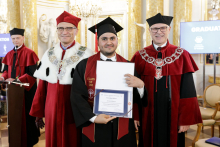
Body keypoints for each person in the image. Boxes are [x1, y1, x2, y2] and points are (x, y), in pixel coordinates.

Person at [70, 17, 147, 147]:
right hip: (94, 125)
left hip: (122, 128)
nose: (109, 42)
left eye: (112, 38)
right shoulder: (84, 66)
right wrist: (93, 118)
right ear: (98, 42)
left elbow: (138, 101)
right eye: (104, 39)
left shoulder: (128, 66)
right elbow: (77, 97)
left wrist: (141, 86)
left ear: (117, 40)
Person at [131, 13, 202, 147]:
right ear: (150, 31)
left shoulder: (182, 55)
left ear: (169, 29)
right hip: (147, 113)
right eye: (155, 29)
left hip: (174, 115)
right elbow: (133, 90)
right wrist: (135, 115)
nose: (159, 32)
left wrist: (185, 120)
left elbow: (188, 91)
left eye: (163, 28)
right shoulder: (139, 56)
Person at [29, 11, 94, 147]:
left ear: (76, 30)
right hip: (51, 107)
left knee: (73, 139)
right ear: (57, 30)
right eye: (61, 28)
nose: (65, 31)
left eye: (69, 28)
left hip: (75, 106)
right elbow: (42, 85)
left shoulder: (87, 53)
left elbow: (92, 85)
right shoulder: (49, 53)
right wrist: (38, 112)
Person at [0, 28, 40, 147]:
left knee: (27, 117)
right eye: (13, 38)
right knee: (14, 117)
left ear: (23, 38)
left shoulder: (30, 53)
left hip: (27, 92)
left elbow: (33, 75)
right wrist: (3, 77)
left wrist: (17, 80)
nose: (15, 40)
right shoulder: (9, 54)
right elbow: (6, 71)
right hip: (13, 92)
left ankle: (29, 141)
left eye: (18, 38)